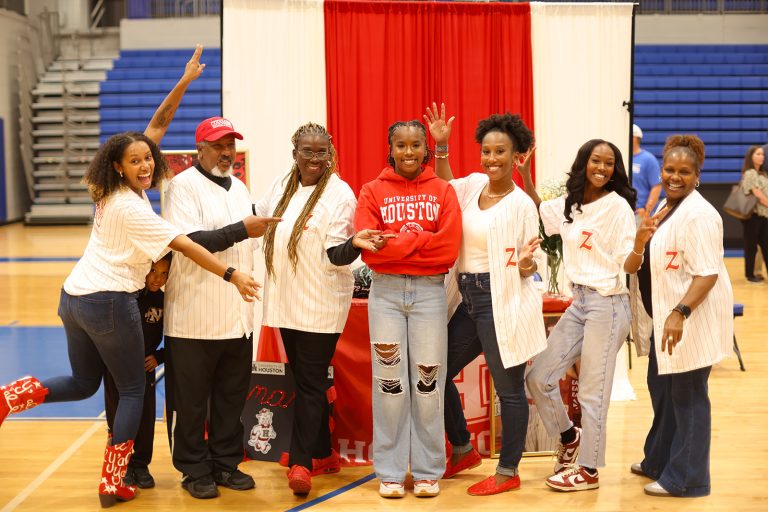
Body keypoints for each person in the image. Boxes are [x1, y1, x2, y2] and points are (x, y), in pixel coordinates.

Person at [0, 46, 261, 508]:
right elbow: (185, 245)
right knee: (133, 389)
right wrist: (233, 273)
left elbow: (156, 126)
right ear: (119, 165)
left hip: (72, 298)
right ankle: (113, 481)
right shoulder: (132, 209)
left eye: (148, 159)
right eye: (136, 160)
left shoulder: (109, 188)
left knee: (83, 383)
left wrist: (183, 83)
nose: (145, 164)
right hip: (106, 302)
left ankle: (9, 398)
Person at [254, 122, 383, 495]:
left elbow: (336, 255)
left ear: (331, 152)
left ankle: (300, 462)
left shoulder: (339, 194)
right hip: (286, 300)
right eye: (307, 151)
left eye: (321, 152)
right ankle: (323, 452)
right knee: (304, 379)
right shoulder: (282, 183)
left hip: (320, 304)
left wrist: (356, 243)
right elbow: (259, 217)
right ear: (294, 152)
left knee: (309, 383)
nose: (314, 159)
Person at [424, 105, 546, 496]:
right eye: (487, 151)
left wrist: (526, 265)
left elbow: (532, 265)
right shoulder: (473, 185)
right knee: (434, 373)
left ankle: (508, 471)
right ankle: (462, 449)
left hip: (501, 298)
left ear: (516, 156)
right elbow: (444, 187)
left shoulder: (522, 204)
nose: (491, 159)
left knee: (508, 389)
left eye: (500, 152)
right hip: (468, 296)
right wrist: (440, 147)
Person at [162, 116, 281, 500]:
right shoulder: (181, 187)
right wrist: (242, 230)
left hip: (236, 315)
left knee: (232, 397)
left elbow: (245, 242)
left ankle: (226, 463)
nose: (226, 151)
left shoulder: (240, 187)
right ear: (200, 149)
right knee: (191, 403)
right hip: (193, 317)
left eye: (231, 144)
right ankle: (193, 469)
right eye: (218, 145)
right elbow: (190, 241)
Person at [521, 139, 636, 492]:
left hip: (609, 302)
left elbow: (629, 263)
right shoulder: (572, 203)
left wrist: (641, 246)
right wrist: (526, 176)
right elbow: (543, 211)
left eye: (609, 163)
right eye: (596, 161)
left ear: (615, 169)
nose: (602, 168)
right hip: (580, 301)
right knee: (539, 376)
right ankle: (568, 437)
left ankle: (588, 470)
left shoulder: (618, 208)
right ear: (584, 163)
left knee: (592, 393)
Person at [354, 119, 462, 498]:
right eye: (401, 145)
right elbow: (370, 247)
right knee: (390, 385)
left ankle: (430, 469)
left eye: (416, 144)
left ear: (425, 149)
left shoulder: (443, 190)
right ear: (391, 148)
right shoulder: (372, 191)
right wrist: (422, 240)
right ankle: (391, 471)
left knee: (428, 383)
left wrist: (397, 242)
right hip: (384, 295)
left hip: (430, 293)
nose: (409, 152)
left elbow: (449, 248)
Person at [627, 134, 733, 497]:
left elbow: (707, 273)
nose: (675, 176)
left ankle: (688, 478)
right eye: (669, 169)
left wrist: (679, 312)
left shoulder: (700, 214)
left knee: (687, 396)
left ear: (697, 175)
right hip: (665, 319)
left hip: (687, 318)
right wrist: (640, 242)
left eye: (684, 171)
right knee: (663, 391)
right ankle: (658, 460)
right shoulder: (668, 208)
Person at [103, 252, 172, 490]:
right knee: (117, 415)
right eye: (153, 271)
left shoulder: (165, 302)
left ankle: (140, 464)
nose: (157, 278)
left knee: (145, 418)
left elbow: (173, 338)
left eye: (164, 273)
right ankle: (121, 465)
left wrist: (159, 357)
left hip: (144, 369)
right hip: (117, 366)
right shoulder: (127, 296)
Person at [739, 145, 768, 283]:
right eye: (758, 154)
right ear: (751, 157)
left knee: (765, 245)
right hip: (753, 215)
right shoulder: (750, 173)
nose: (761, 156)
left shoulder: (762, 173)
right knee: (751, 246)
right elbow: (757, 195)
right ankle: (750, 275)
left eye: (762, 154)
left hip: (764, 215)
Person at [632, 124, 662, 221]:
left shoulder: (649, 159)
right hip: (623, 212)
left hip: (638, 213)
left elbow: (656, 186)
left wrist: (646, 210)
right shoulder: (622, 156)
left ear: (635, 138)